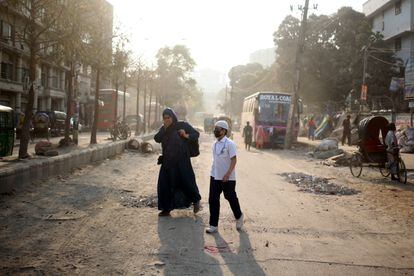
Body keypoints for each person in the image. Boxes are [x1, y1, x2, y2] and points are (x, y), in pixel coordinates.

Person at [154, 108, 202, 216]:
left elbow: (196, 134)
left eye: (168, 118)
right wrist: (164, 130)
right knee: (165, 184)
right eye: (164, 118)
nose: (166, 120)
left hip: (182, 162)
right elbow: (156, 138)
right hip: (168, 162)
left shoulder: (182, 125)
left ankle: (196, 201)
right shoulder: (164, 128)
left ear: (173, 117)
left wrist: (186, 135)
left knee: (187, 182)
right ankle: (166, 209)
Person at [206, 120, 243, 234]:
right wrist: (212, 173)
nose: (215, 130)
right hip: (215, 176)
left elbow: (234, 160)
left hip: (228, 178)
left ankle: (239, 216)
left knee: (230, 197)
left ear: (224, 130)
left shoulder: (230, 144)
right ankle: (213, 225)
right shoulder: (214, 144)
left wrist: (228, 173)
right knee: (213, 199)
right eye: (215, 128)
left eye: (217, 128)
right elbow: (215, 160)